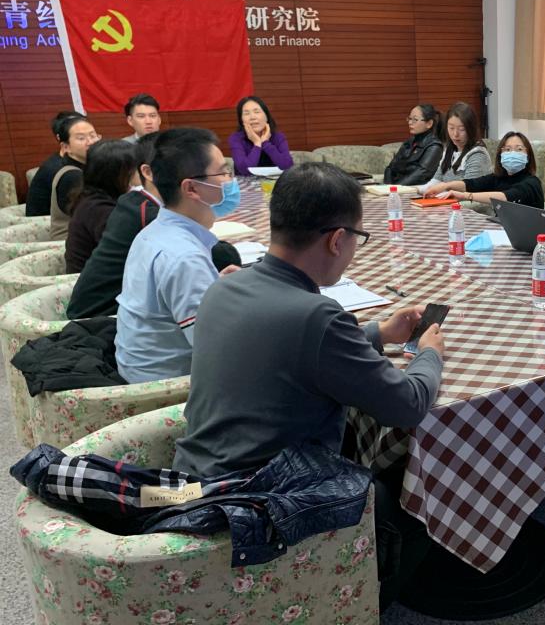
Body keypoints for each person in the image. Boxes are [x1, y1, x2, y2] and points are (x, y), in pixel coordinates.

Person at [174, 162, 444, 609]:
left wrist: (379, 332)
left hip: (195, 476)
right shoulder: (317, 316)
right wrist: (430, 353)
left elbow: (290, 346)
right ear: (337, 239)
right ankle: (356, 606)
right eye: (357, 238)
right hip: (258, 501)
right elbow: (409, 404)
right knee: (416, 503)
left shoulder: (227, 285)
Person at [114, 128, 240, 384]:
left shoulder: (155, 231)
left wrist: (215, 285)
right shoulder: (185, 258)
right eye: (223, 172)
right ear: (191, 188)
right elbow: (220, 352)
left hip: (138, 368)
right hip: (168, 385)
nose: (230, 180)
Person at [67, 134, 241, 319]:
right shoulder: (147, 218)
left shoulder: (135, 204)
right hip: (102, 317)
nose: (228, 180)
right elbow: (222, 257)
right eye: (222, 173)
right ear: (147, 172)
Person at [64, 139, 138, 274]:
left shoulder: (91, 196)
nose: (137, 175)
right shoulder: (98, 209)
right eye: (133, 171)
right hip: (92, 280)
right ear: (115, 175)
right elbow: (127, 249)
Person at [425, 130, 545, 209]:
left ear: (528, 155)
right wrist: (446, 186)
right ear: (500, 154)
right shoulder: (498, 178)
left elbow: (504, 197)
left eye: (519, 149)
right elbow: (472, 184)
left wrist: (465, 196)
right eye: (508, 149)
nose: (512, 153)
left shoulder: (532, 183)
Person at [418, 101, 490, 193]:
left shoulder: (478, 154)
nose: (455, 134)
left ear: (471, 129)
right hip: (448, 199)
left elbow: (470, 191)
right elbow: (436, 180)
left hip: (468, 201)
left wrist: (442, 191)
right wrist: (414, 190)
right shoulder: (449, 150)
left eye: (461, 129)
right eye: (451, 128)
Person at [50, 116, 101, 240]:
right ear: (66, 147)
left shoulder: (89, 168)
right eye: (81, 138)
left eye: (93, 136)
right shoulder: (72, 175)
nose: (90, 142)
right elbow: (89, 216)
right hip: (69, 241)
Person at [26, 111, 85, 216]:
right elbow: (81, 213)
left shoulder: (77, 161)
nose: (90, 141)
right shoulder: (66, 172)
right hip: (46, 223)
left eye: (91, 135)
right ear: (60, 138)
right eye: (81, 137)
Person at [228, 95, 294, 175]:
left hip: (275, 182)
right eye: (246, 113)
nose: (252, 117)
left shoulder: (278, 137)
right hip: (246, 183)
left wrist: (266, 143)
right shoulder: (236, 139)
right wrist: (257, 144)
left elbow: (287, 166)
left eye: (257, 112)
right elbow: (245, 170)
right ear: (241, 120)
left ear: (266, 116)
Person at [383, 104, 443, 185]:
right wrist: (388, 187)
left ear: (429, 123)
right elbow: (390, 168)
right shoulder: (409, 142)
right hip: (396, 188)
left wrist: (397, 188)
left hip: (416, 189)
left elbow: (421, 173)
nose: (410, 122)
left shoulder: (434, 146)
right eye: (410, 119)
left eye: (415, 119)